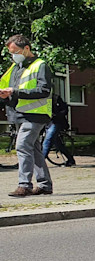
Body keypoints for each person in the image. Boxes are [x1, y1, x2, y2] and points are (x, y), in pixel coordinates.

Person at [0, 35, 54, 197]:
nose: (13, 56)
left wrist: (15, 92)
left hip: (36, 114)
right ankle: (45, 185)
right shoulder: (15, 67)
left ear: (27, 49)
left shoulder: (41, 65)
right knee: (34, 149)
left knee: (22, 145)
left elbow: (44, 90)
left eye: (15, 52)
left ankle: (24, 185)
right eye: (11, 53)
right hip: (19, 114)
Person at [42, 93, 76, 166]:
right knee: (58, 144)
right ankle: (70, 159)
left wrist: (56, 115)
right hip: (46, 123)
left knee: (48, 141)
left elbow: (65, 109)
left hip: (56, 122)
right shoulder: (40, 99)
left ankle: (39, 162)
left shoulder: (55, 98)